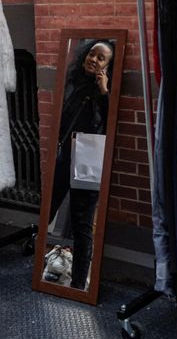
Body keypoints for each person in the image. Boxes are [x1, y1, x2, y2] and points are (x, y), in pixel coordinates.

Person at [48, 40, 114, 290]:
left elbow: (110, 124)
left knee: (82, 225)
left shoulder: (106, 92)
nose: (93, 60)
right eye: (91, 54)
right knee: (50, 206)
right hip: (64, 158)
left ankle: (77, 285)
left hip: (89, 162)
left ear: (107, 67)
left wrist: (104, 91)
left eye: (101, 58)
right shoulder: (73, 83)